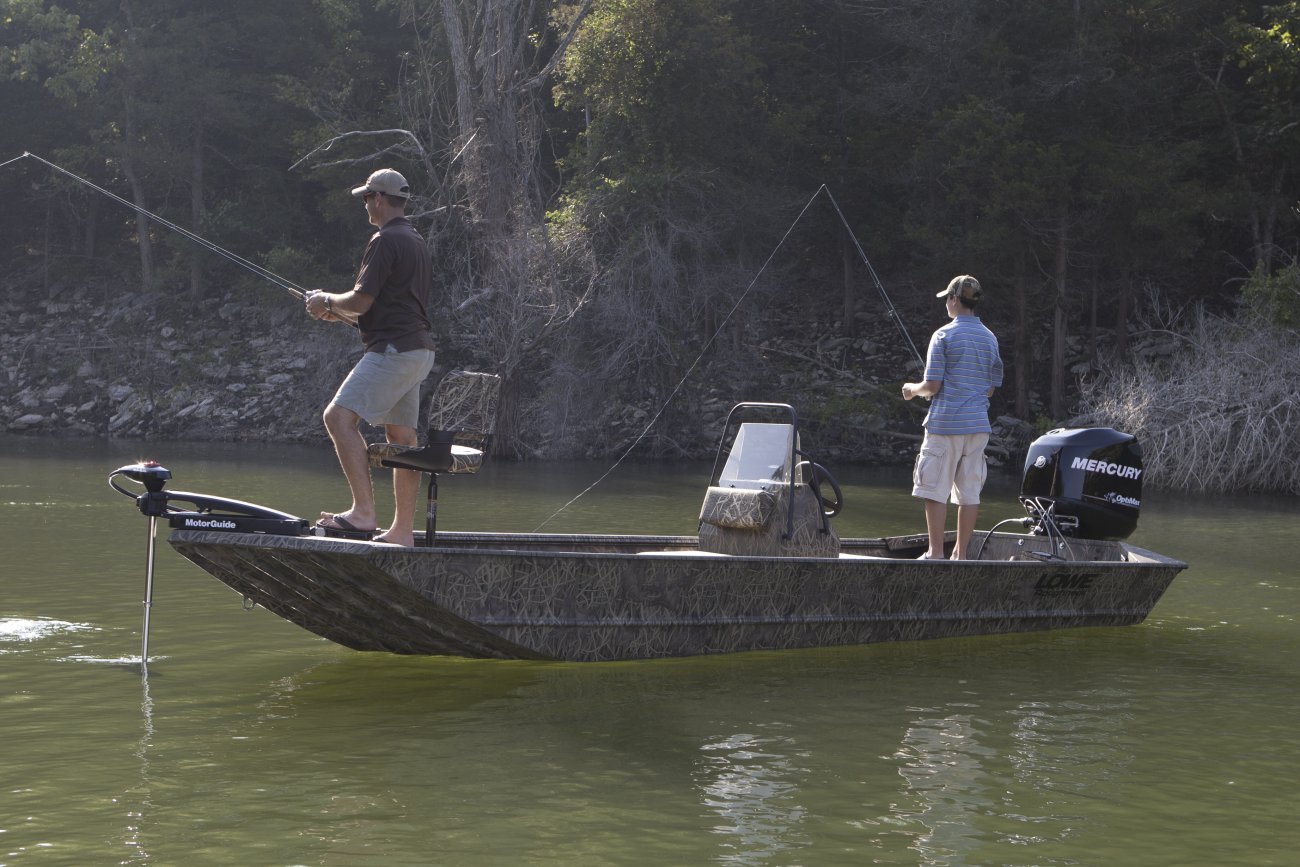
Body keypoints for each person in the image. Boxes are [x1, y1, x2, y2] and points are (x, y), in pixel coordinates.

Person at [304, 168, 436, 547]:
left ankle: (363, 514)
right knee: (401, 437)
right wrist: (338, 312)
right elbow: (384, 306)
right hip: (417, 350)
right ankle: (401, 533)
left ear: (379, 198)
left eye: (366, 197)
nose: (365, 204)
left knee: (338, 418)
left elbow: (361, 300)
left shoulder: (384, 240)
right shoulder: (415, 240)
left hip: (394, 351)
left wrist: (327, 300)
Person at [901, 275, 1003, 560]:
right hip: (978, 428)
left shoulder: (943, 335)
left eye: (947, 298)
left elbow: (932, 387)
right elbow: (991, 388)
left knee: (934, 489)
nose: (946, 302)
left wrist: (911, 390)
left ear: (956, 300)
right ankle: (961, 556)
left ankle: (934, 554)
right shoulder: (990, 338)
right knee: (969, 492)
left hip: (945, 426)